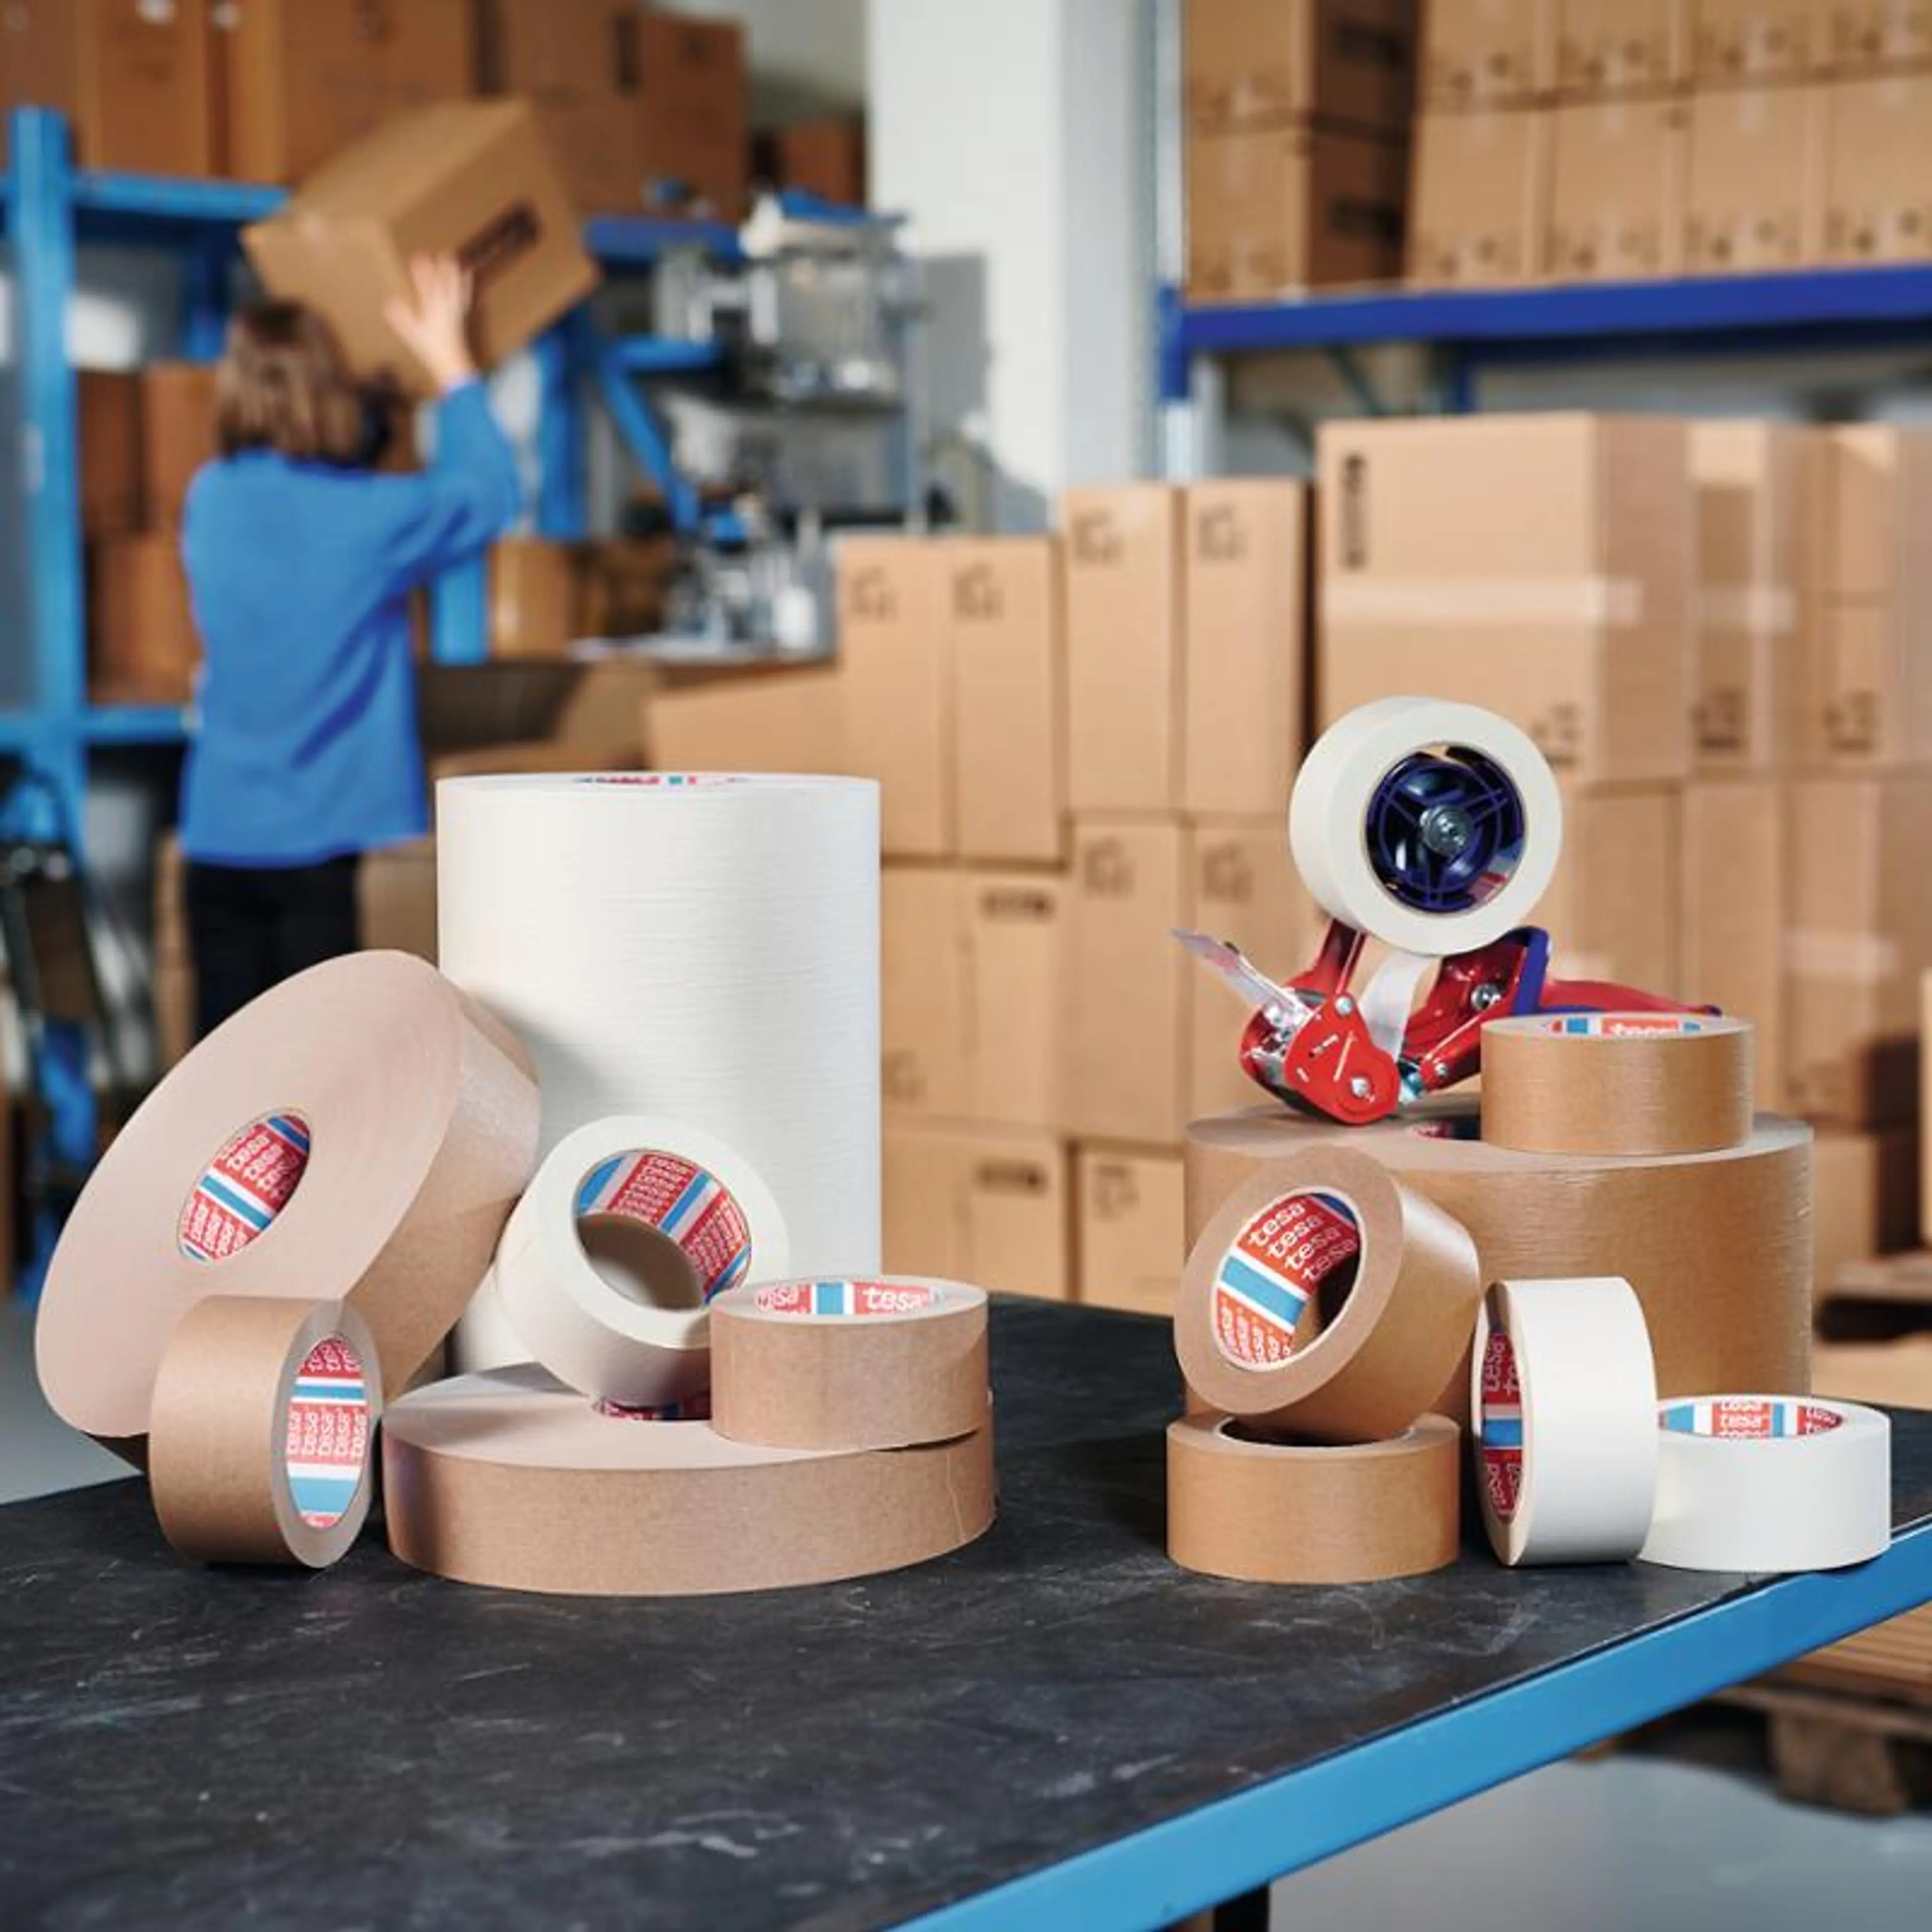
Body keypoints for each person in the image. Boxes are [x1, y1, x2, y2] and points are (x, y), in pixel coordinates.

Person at [178, 255, 520, 1038]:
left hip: (219, 839)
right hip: (323, 851)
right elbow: (490, 494)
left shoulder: (210, 497)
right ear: (327, 391)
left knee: (226, 1086)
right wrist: (451, 364)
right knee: (327, 1090)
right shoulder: (371, 519)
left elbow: (301, 513)